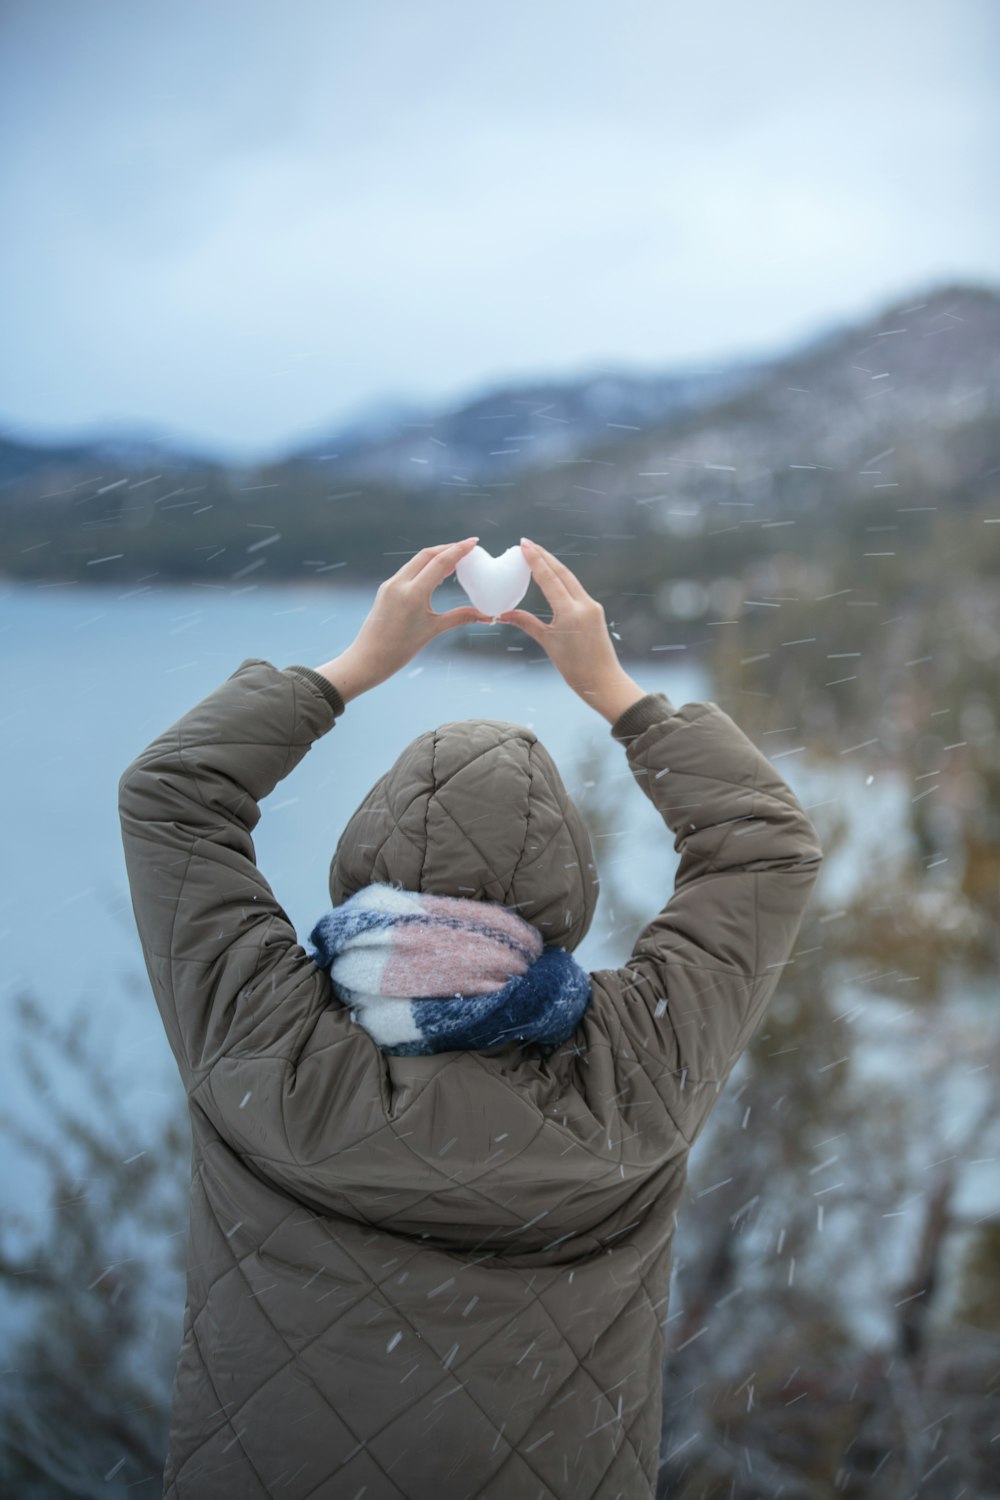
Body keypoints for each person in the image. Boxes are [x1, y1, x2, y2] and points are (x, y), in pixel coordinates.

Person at [118, 536, 824, 1500]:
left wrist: (352, 670)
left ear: (364, 857)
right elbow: (765, 851)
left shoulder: (266, 1046)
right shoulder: (632, 1074)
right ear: (564, 891)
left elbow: (170, 799)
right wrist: (619, 692)